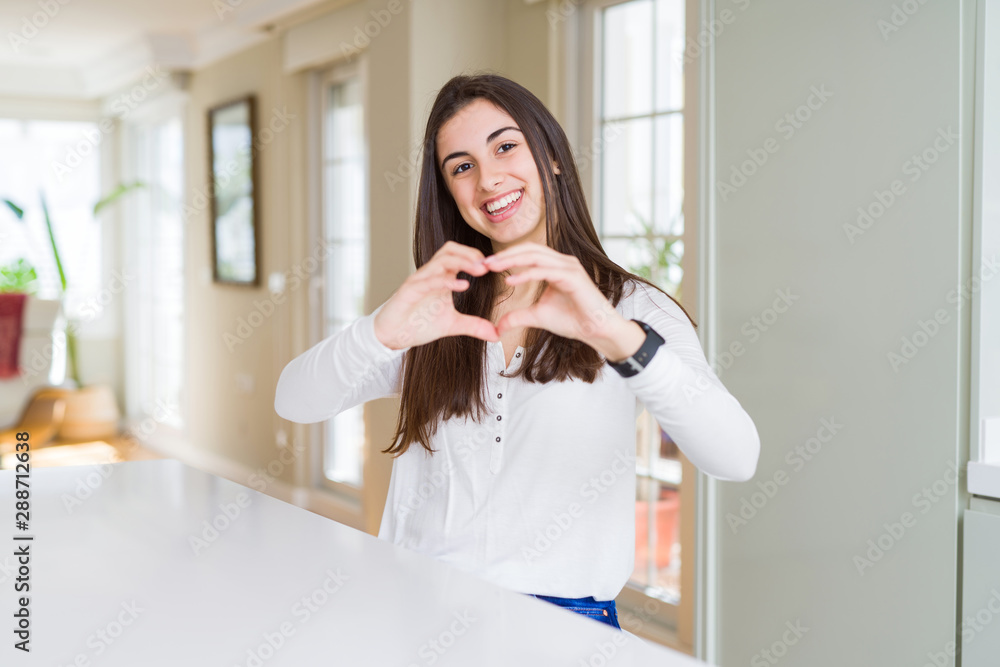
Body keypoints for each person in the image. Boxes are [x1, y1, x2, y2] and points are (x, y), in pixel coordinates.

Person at [274, 73, 760, 633]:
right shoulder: (436, 309)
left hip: (562, 628)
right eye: (461, 166)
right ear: (450, 194)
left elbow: (735, 457)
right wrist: (378, 332)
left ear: (551, 156)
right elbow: (295, 401)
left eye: (505, 146)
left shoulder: (635, 308)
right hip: (415, 612)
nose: (487, 179)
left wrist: (611, 333)